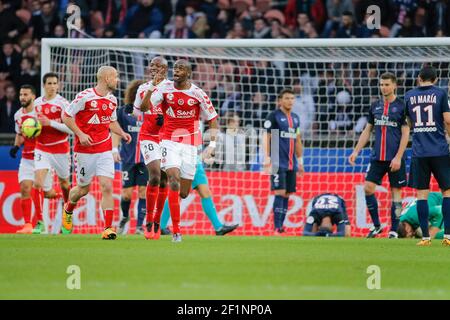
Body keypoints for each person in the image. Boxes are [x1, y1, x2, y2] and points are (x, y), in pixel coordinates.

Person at [150, 59, 219, 242]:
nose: (176, 71)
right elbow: (149, 104)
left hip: (190, 145)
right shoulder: (165, 89)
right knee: (173, 179)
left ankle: (166, 223)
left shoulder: (198, 93)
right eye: (175, 68)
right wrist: (154, 99)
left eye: (181, 68)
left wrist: (211, 146)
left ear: (188, 73)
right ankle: (176, 231)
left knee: (183, 192)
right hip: (169, 141)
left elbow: (212, 118)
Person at [62, 66, 132, 240]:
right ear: (107, 78)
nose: (118, 80)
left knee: (107, 187)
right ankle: (68, 208)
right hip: (84, 151)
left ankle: (108, 228)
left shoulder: (112, 100)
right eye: (116, 77)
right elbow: (66, 116)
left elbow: (111, 122)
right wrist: (80, 133)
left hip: (104, 149)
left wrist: (122, 133)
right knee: (83, 190)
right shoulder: (85, 96)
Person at [349, 72, 410, 238]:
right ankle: (376, 226)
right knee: (368, 188)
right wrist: (356, 151)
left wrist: (398, 157)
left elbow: (406, 133)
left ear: (394, 85)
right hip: (377, 157)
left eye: (387, 84)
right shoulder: (375, 106)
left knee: (396, 193)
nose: (384, 87)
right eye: (382, 85)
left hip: (395, 159)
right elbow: (367, 130)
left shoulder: (402, 106)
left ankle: (393, 231)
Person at [404, 65, 450, 246]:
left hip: (419, 151)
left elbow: (408, 122)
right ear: (436, 79)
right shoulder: (440, 94)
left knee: (422, 195)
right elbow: (447, 119)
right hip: (439, 150)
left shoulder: (409, 95)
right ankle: (448, 236)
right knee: (447, 192)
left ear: (418, 78)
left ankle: (425, 237)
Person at [130, 56, 170, 240]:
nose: (154, 68)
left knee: (163, 180)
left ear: (165, 70)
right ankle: (148, 221)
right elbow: (139, 111)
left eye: (158, 66)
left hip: (168, 138)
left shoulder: (172, 87)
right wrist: (152, 89)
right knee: (154, 175)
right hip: (149, 137)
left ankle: (156, 221)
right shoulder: (143, 88)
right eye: (152, 65)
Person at [32, 72, 73, 234]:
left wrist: (50, 123)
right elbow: (30, 123)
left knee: (64, 184)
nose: (51, 86)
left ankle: (67, 214)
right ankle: (39, 222)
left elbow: (70, 129)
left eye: (54, 83)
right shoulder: (35, 104)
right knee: (37, 184)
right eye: (48, 83)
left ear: (58, 85)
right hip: (41, 148)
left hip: (61, 149)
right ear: (44, 86)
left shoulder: (63, 104)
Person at [159, 158, 239, 236]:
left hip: (196, 162)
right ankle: (161, 227)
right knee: (177, 193)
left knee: (205, 193)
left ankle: (218, 228)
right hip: (183, 161)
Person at [11, 85, 53, 234]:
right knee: (25, 188)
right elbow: (20, 134)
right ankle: (29, 224)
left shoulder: (40, 113)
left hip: (42, 156)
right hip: (27, 158)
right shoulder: (17, 115)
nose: (22, 97)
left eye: (26, 95)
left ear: (33, 97)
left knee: (43, 190)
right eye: (21, 94)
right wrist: (16, 147)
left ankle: (42, 220)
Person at [263, 88, 304, 235]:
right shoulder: (273, 116)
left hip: (291, 162)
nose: (290, 101)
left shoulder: (295, 118)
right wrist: (267, 157)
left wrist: (300, 161)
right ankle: (277, 228)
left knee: (287, 194)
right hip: (276, 161)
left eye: (292, 98)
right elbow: (267, 137)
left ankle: (281, 227)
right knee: (279, 192)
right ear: (280, 100)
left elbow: (298, 140)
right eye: (287, 98)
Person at [113, 79, 148, 235]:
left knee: (143, 191)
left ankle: (140, 226)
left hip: (146, 158)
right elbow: (116, 131)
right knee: (126, 193)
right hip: (127, 157)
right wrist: (114, 149)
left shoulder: (150, 111)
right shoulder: (123, 111)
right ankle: (125, 217)